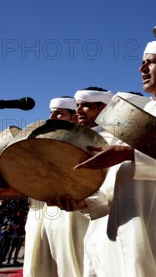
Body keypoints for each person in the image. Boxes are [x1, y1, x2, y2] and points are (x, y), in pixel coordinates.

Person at [74, 42, 156, 277]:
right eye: (142, 62)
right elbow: (117, 181)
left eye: (151, 62)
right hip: (122, 224)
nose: (142, 68)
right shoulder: (151, 110)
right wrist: (84, 203)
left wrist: (130, 154)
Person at [23, 95, 90, 277]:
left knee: (72, 269)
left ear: (74, 116)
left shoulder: (88, 144)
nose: (52, 118)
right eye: (52, 113)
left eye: (59, 114)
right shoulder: (41, 144)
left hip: (73, 217)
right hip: (39, 217)